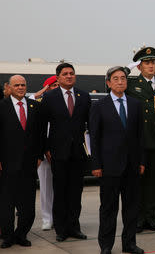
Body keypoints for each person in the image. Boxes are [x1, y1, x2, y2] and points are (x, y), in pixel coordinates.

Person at [90, 66, 145, 254]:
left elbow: (140, 137)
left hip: (132, 166)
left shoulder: (135, 104)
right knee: (108, 209)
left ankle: (129, 244)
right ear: (108, 83)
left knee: (131, 209)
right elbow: (94, 138)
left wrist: (141, 162)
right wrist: (96, 164)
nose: (120, 81)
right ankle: (106, 246)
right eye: (116, 78)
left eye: (123, 78)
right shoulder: (99, 106)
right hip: (109, 167)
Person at [41, 63, 91, 242]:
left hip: (78, 153)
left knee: (76, 192)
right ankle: (61, 229)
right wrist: (45, 149)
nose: (69, 76)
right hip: (57, 153)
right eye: (65, 74)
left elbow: (90, 125)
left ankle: (74, 227)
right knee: (60, 191)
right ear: (58, 77)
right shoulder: (49, 97)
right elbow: (42, 126)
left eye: (71, 73)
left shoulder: (84, 97)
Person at [126, 46, 155, 232]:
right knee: (138, 182)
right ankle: (138, 219)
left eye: (153, 62)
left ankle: (152, 218)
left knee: (154, 183)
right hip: (139, 142)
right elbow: (110, 85)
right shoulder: (130, 84)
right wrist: (127, 69)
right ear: (139, 66)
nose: (151, 65)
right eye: (146, 63)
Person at [0, 75, 45, 248]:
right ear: (9, 87)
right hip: (7, 164)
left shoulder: (35, 107)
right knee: (7, 203)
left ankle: (21, 234)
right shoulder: (2, 107)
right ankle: (8, 236)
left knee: (27, 205)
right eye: (16, 85)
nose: (20, 87)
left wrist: (40, 156)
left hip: (29, 164)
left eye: (23, 85)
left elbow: (41, 134)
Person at [29, 75, 59, 231]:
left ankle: (61, 217)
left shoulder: (64, 101)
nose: (55, 88)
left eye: (57, 85)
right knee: (46, 187)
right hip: (44, 151)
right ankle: (48, 218)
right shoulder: (39, 103)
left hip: (61, 150)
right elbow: (29, 101)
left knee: (62, 186)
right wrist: (41, 93)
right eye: (52, 86)